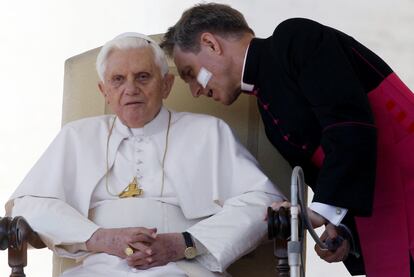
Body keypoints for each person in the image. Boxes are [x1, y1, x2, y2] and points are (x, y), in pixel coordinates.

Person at [161, 3, 414, 277]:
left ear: (211, 44)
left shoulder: (293, 38)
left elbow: (350, 125)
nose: (195, 90)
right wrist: (341, 228)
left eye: (189, 73)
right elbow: (329, 172)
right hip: (382, 209)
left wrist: (317, 214)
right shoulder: (266, 110)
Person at [5, 32, 284, 277]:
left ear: (166, 85)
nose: (130, 89)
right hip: (99, 267)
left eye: (142, 77)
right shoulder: (76, 137)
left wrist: (185, 242)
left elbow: (264, 202)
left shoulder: (208, 132)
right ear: (104, 91)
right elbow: (27, 206)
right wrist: (99, 238)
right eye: (117, 80)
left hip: (186, 267)